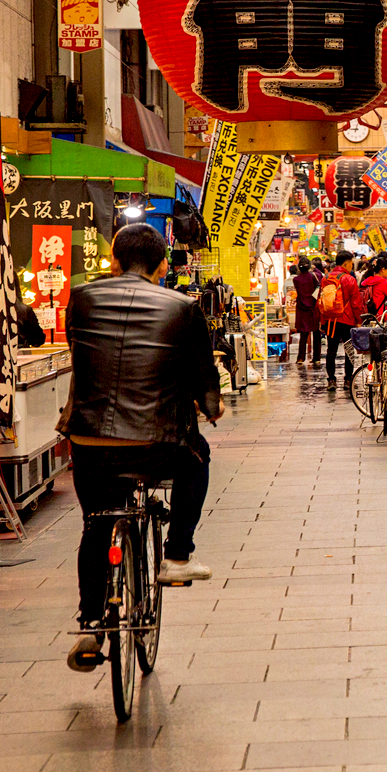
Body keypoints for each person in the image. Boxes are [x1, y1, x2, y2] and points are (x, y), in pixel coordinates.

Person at [60, 224, 222, 671]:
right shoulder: (183, 308)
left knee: (96, 524)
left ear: (113, 257)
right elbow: (203, 376)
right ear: (164, 264)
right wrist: (211, 407)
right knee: (198, 457)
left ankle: (91, 624)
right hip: (155, 443)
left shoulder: (82, 297)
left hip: (89, 440)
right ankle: (176, 555)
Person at [320, 250, 367, 387]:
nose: (352, 266)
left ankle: (331, 380)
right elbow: (356, 303)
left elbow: (321, 300)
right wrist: (359, 320)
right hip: (347, 320)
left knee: (331, 349)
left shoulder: (326, 278)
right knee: (349, 349)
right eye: (351, 263)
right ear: (346, 263)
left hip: (331, 320)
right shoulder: (349, 279)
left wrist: (322, 320)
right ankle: (348, 379)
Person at [291, 256, 321, 365]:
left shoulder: (296, 280)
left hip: (302, 308)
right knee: (316, 333)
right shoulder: (314, 276)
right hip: (313, 307)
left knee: (303, 334)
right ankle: (317, 358)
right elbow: (319, 280)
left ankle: (300, 358)